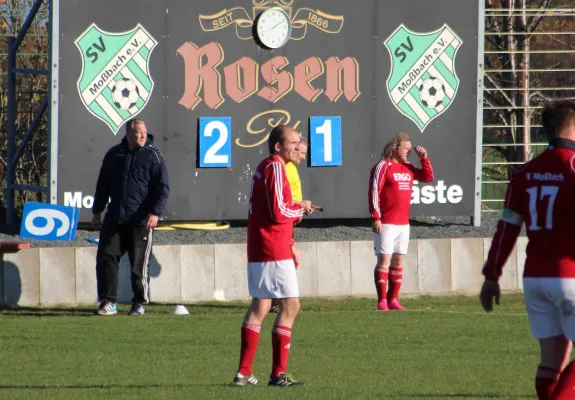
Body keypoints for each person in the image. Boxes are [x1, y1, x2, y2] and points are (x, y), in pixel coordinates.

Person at [480, 99, 575, 400]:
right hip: (570, 276)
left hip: (534, 278)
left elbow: (506, 229)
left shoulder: (524, 174)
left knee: (551, 362)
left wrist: (491, 275)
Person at [233, 125, 313, 387]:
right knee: (291, 306)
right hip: (272, 248)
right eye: (293, 142)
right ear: (278, 146)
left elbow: (273, 208)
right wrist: (300, 210)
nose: (298, 146)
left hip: (263, 247)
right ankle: (277, 374)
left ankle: (244, 373)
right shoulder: (276, 167)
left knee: (262, 306)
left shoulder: (265, 166)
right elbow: (279, 212)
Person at [91, 118, 169, 316]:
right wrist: (97, 211)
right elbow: (102, 184)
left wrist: (156, 212)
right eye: (138, 133)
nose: (143, 135)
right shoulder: (113, 154)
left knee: (138, 265)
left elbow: (163, 187)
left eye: (144, 132)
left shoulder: (153, 156)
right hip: (115, 218)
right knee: (106, 258)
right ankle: (109, 301)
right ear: (128, 134)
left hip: (141, 220)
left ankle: (139, 303)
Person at [368, 133, 434, 311]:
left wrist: (424, 159)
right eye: (406, 148)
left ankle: (393, 299)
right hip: (386, 223)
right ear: (395, 148)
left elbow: (427, 177)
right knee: (384, 260)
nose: (409, 152)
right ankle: (382, 300)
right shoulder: (383, 166)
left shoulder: (408, 167)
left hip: (403, 223)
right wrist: (376, 217)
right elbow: (374, 192)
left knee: (398, 261)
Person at [270, 136, 309, 314]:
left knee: (287, 258)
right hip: (282, 220)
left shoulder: (290, 167)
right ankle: (282, 301)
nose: (302, 157)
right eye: (300, 152)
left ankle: (278, 300)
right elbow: (279, 199)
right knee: (282, 260)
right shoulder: (280, 167)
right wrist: (299, 206)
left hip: (289, 220)